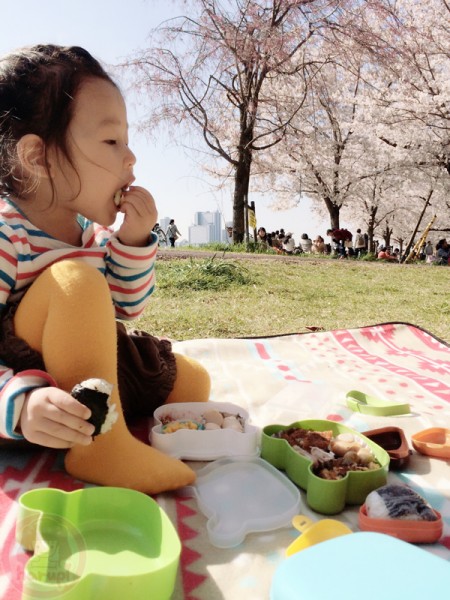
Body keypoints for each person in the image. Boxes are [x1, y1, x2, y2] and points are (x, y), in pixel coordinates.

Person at [0, 44, 211, 494]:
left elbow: (127, 309)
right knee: (75, 281)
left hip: (92, 376)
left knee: (193, 380)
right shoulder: (6, 234)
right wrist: (20, 404)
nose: (130, 158)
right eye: (112, 141)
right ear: (38, 157)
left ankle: (120, 428)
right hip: (34, 389)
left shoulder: (88, 233)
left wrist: (133, 241)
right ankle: (101, 448)